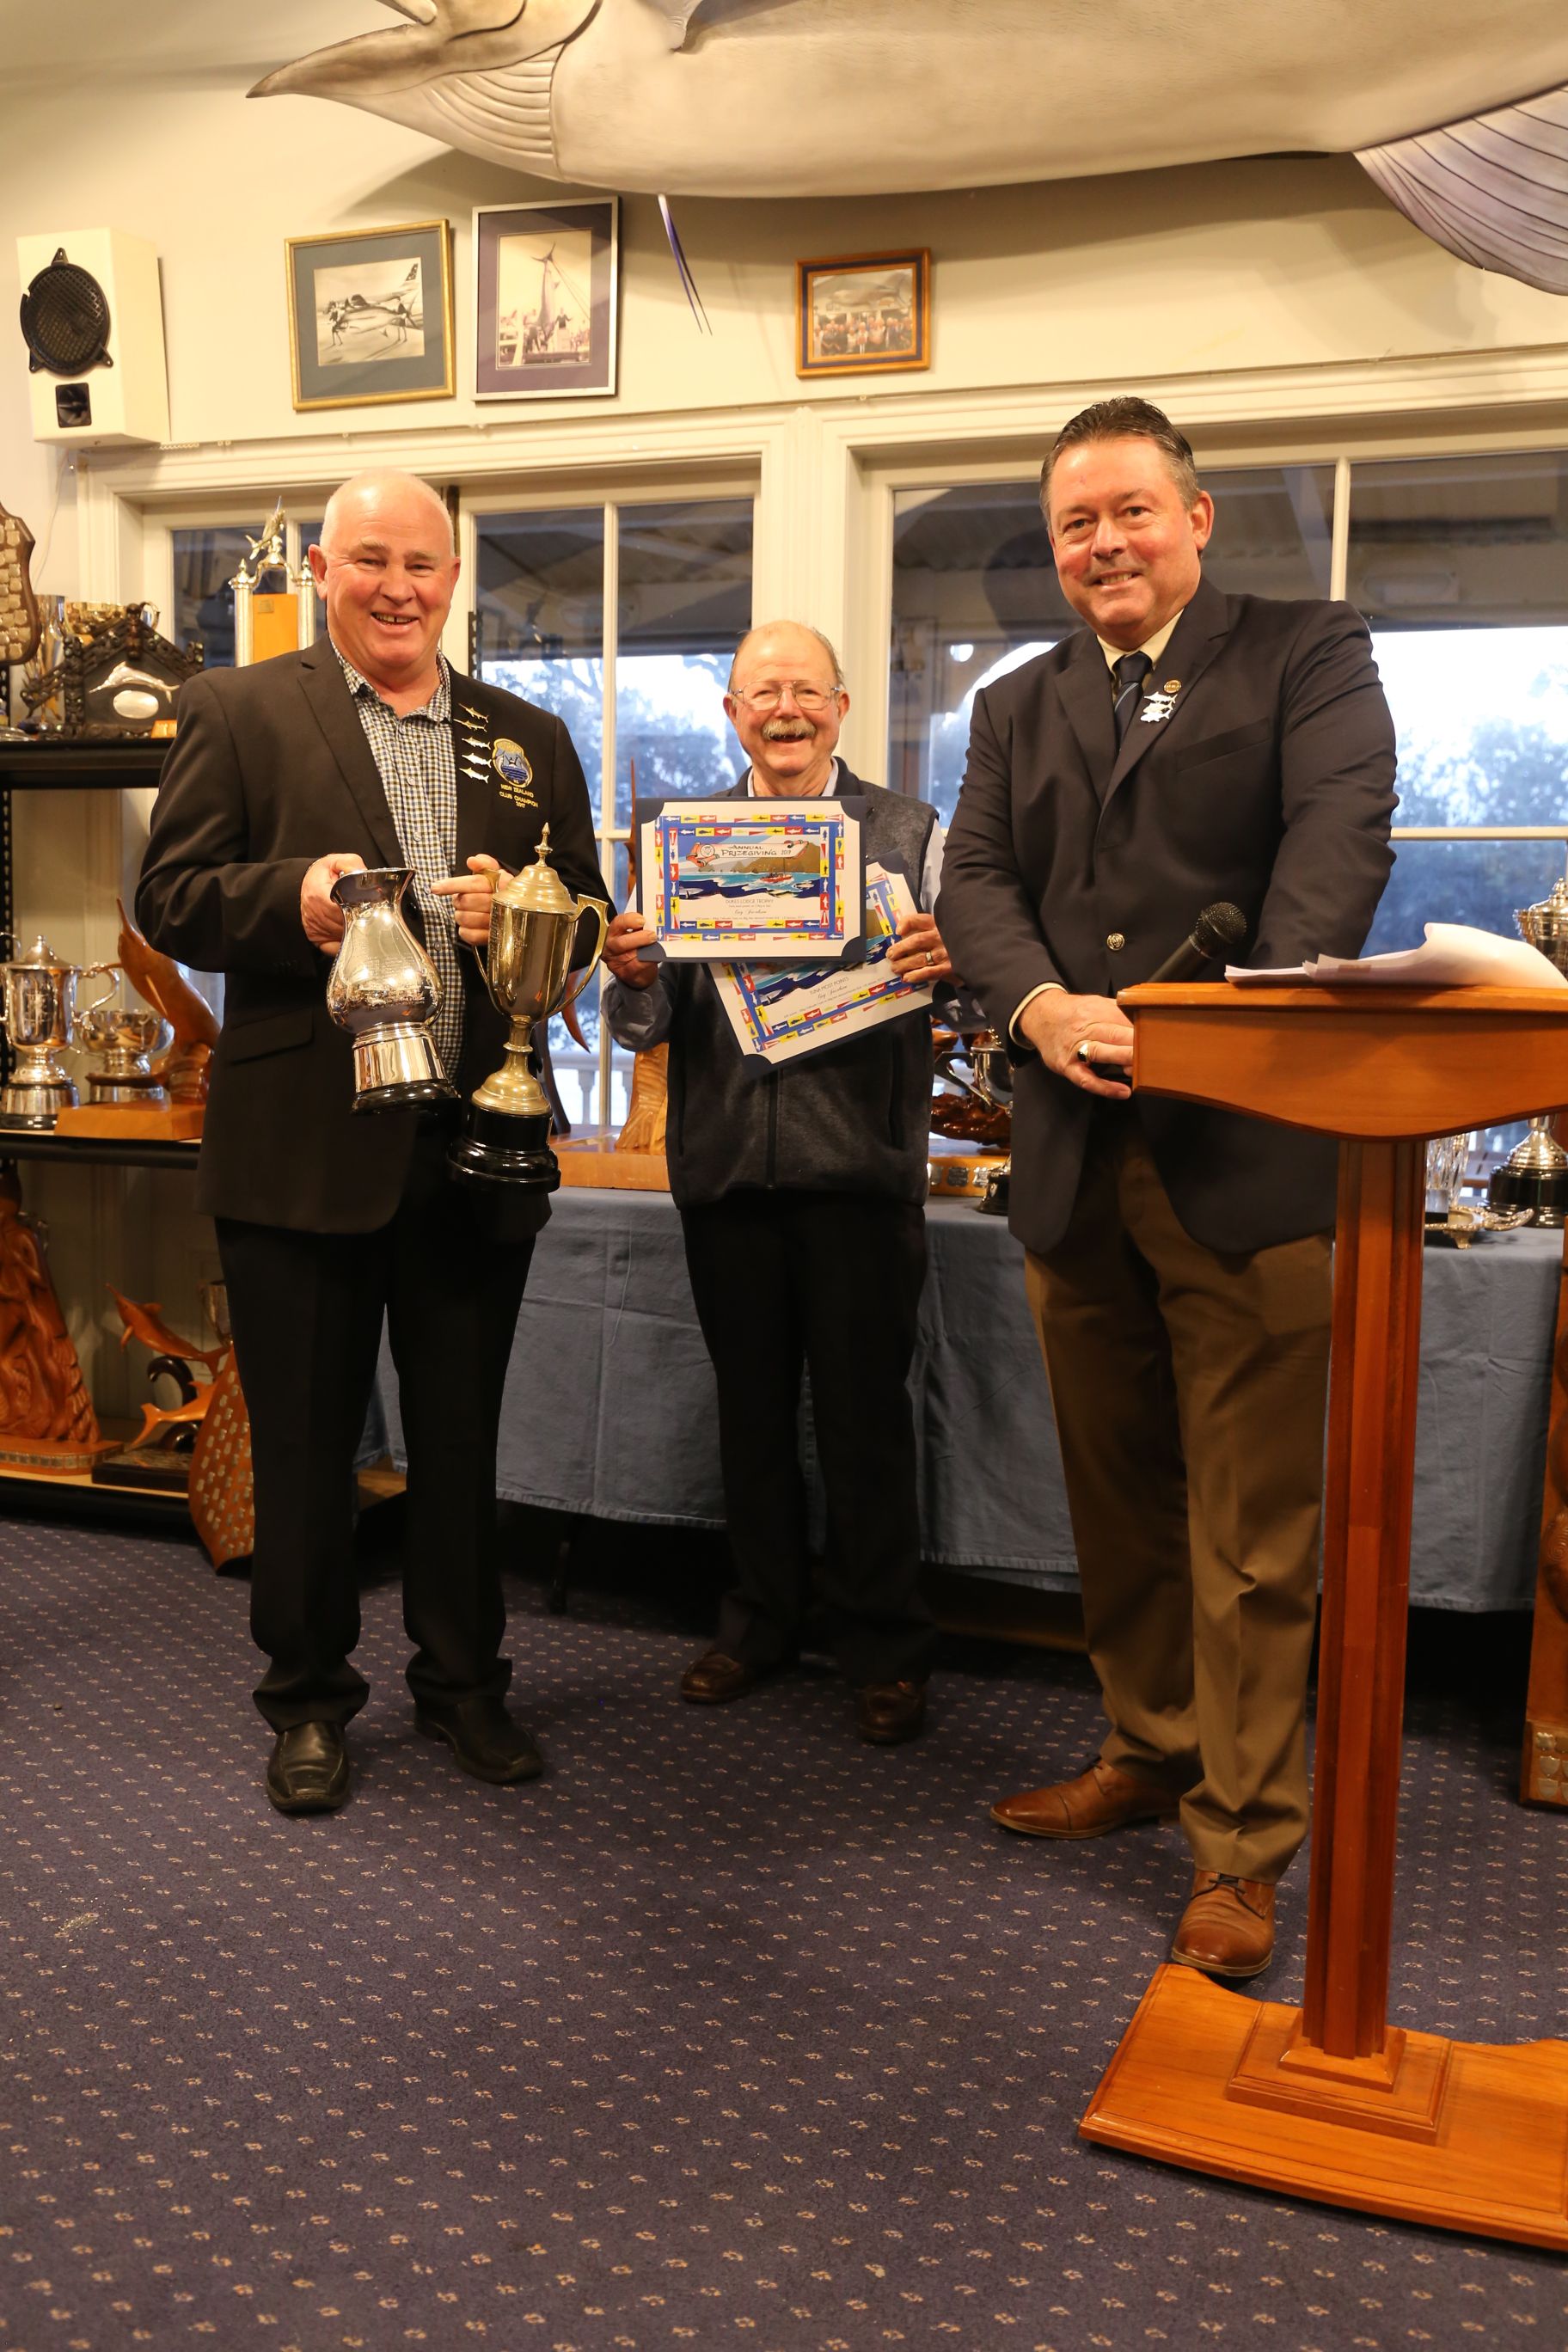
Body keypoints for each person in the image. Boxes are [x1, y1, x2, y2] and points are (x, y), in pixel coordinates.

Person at [937, 399, 1396, 1975]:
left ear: (1197, 518)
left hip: (1246, 1151)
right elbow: (976, 881)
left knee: (1257, 1531)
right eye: (1076, 523)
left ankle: (1245, 1842)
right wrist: (1038, 1007)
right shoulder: (1015, 704)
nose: (1105, 543)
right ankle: (1148, 1745)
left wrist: (1192, 1022)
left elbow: (1338, 849)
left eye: (1131, 510)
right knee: (1118, 1498)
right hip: (1072, 1158)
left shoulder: (1310, 650)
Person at [138, 469, 608, 1816]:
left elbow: (583, 909)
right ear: (323, 572)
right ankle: (306, 1699)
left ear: (453, 580)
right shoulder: (236, 709)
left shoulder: (528, 737)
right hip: (301, 1148)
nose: (398, 588)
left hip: (476, 1142)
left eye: (423, 565)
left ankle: (464, 1683)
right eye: (371, 561)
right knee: (303, 1449)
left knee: (462, 1441)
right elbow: (169, 896)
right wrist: (295, 898)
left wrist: (535, 915)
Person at [602, 621, 955, 1745]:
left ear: (842, 707)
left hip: (860, 1177)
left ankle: (884, 1646)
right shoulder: (682, 843)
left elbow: (967, 999)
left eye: (806, 691)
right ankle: (757, 1625)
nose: (786, 710)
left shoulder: (910, 831)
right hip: (725, 1176)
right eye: (763, 694)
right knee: (749, 1417)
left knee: (865, 1422)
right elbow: (643, 1025)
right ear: (733, 714)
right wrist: (631, 974)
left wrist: (950, 966)